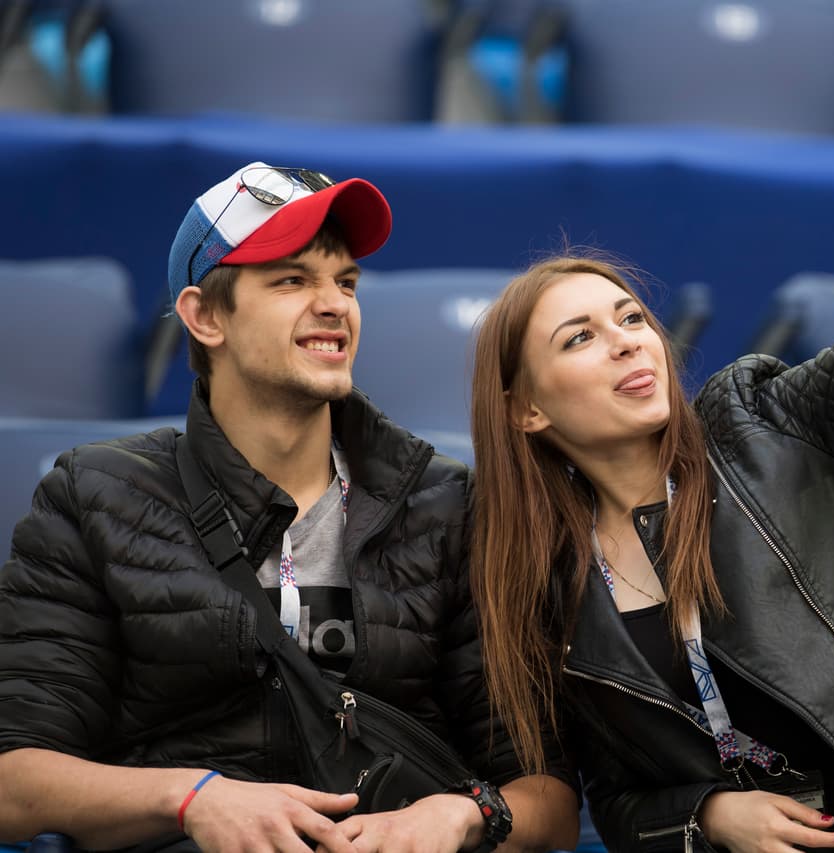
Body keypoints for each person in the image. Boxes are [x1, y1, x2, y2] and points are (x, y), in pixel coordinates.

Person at [468, 54, 834, 853]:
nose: (625, 343)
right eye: (581, 338)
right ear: (528, 409)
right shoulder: (538, 576)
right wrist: (706, 814)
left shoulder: (765, 427)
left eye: (631, 318)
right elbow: (610, 796)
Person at [0, 163, 579, 853]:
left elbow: (546, 797)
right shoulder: (95, 494)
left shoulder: (447, 503)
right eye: (292, 279)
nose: (334, 303)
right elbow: (15, 780)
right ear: (205, 315)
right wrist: (194, 798)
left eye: (346, 281)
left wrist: (458, 815)